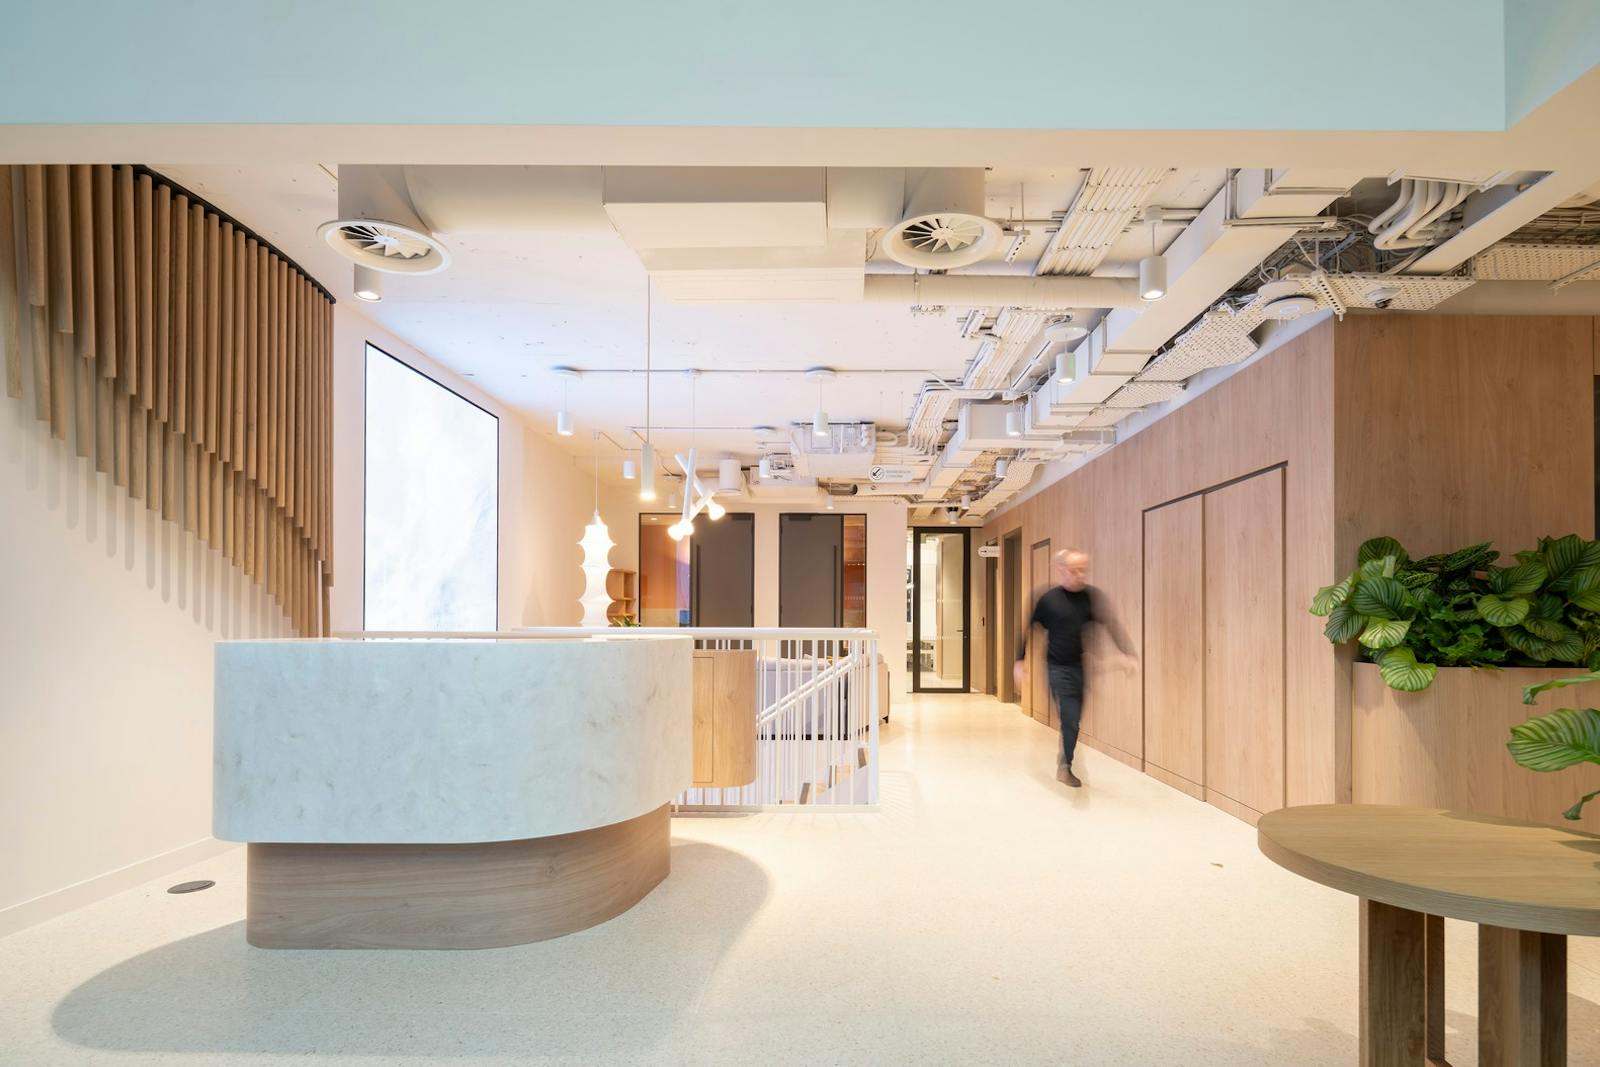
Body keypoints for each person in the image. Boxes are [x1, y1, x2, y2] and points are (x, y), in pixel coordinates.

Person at [1013, 549, 1136, 787]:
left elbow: (1110, 624)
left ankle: (1065, 760)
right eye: (1074, 570)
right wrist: (1020, 660)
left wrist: (1128, 653)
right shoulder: (1049, 600)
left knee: (1074, 720)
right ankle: (1065, 767)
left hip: (1080, 667)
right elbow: (1030, 627)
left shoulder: (1090, 597)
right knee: (1069, 717)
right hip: (1056, 667)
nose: (1080, 575)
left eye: (1083, 570)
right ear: (1061, 571)